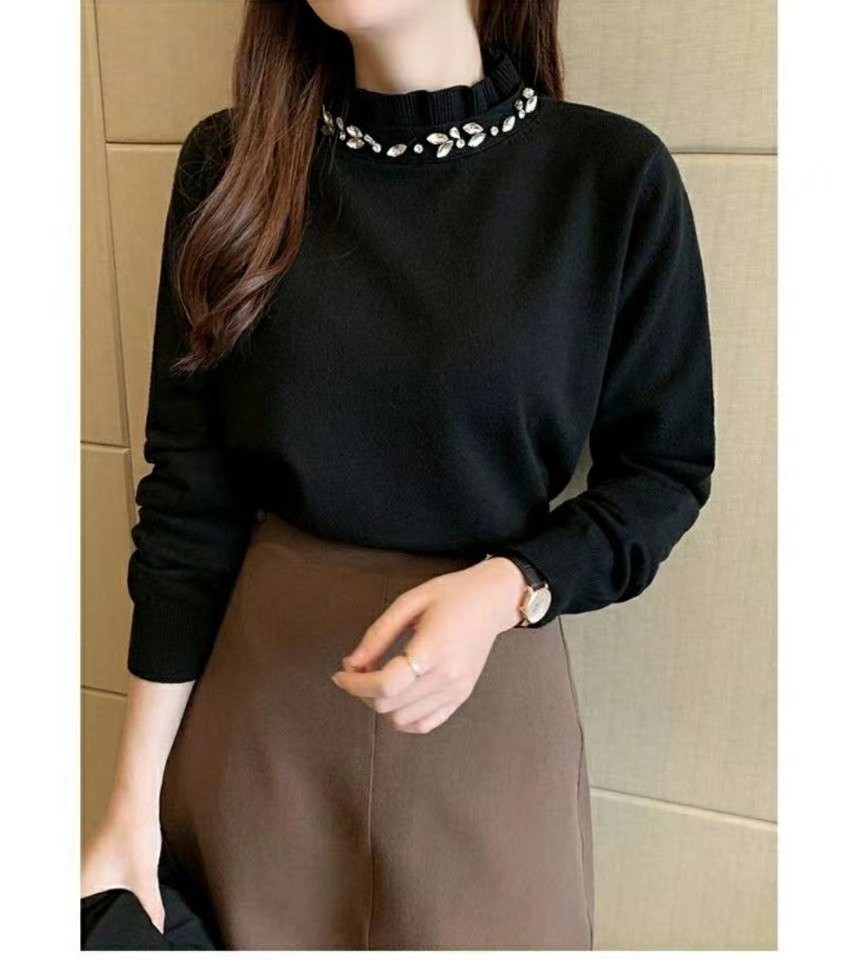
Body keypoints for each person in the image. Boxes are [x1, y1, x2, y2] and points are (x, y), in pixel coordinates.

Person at [81, 0, 715, 950]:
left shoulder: (609, 176)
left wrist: (512, 586)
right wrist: (130, 806)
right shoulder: (232, 165)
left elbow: (664, 471)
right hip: (259, 712)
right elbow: (189, 495)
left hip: (490, 705)